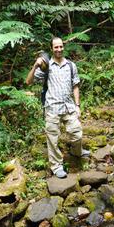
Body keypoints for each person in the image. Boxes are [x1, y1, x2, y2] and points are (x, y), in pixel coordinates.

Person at [25, 37, 90, 178]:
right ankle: (56, 166)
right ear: (52, 49)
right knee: (53, 139)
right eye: (56, 47)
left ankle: (77, 151)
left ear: (63, 47)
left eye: (61, 46)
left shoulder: (71, 66)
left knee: (77, 133)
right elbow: (28, 81)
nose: (59, 49)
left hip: (69, 107)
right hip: (52, 108)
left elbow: (76, 86)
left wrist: (77, 105)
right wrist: (35, 66)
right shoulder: (46, 67)